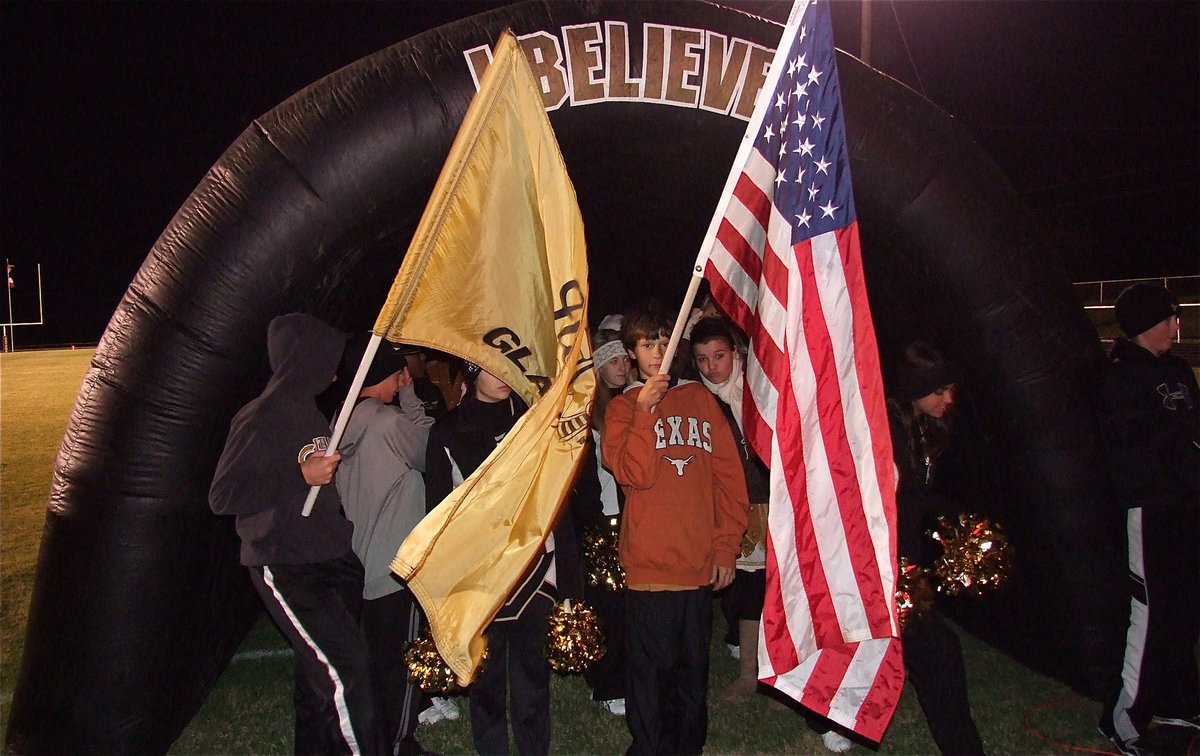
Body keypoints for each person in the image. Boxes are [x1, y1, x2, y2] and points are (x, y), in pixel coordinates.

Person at [209, 312, 383, 755]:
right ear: (303, 358)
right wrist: (299, 474)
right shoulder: (259, 417)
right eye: (327, 356)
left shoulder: (310, 411)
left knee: (317, 679)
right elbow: (224, 495)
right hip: (286, 564)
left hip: (331, 558)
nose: (336, 366)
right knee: (350, 671)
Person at [601, 303, 749, 755]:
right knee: (649, 678)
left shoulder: (701, 401)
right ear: (630, 353)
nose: (658, 351)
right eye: (648, 344)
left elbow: (729, 480)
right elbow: (634, 474)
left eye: (665, 341)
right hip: (649, 569)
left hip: (697, 566)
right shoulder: (621, 410)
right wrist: (645, 410)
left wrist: (725, 548)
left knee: (691, 678)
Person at [423, 363, 580, 755]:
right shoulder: (446, 431)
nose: (507, 377)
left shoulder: (537, 423)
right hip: (478, 577)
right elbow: (436, 512)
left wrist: (569, 580)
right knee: (486, 682)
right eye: (494, 370)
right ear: (473, 373)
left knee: (532, 679)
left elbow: (556, 499)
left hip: (534, 573)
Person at [1098, 282, 1199, 756]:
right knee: (1150, 610)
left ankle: (1180, 701)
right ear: (1144, 325)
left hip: (1186, 505)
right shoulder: (1120, 378)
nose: (1175, 327)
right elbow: (1130, 449)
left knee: (1184, 605)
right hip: (1149, 507)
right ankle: (1124, 719)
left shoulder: (1179, 373)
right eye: (1168, 318)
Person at [334, 334, 437, 756]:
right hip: (397, 564)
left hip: (362, 561)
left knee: (373, 660)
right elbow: (430, 446)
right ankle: (397, 744)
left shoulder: (344, 424)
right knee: (401, 660)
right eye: (397, 372)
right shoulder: (388, 422)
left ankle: (371, 737)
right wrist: (412, 400)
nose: (402, 377)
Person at [886, 341, 985, 756]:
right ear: (914, 390)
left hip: (907, 563)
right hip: (883, 568)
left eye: (951, 389)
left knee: (928, 655)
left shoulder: (924, 428)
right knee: (939, 654)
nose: (948, 399)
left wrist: (959, 520)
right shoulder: (886, 430)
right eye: (938, 390)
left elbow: (918, 498)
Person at [688, 317, 770, 702]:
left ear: (735, 354)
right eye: (702, 359)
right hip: (734, 504)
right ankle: (748, 673)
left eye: (718, 356)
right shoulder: (700, 399)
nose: (711, 367)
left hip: (779, 499)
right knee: (745, 590)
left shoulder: (760, 390)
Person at [570, 327, 630, 716]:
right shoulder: (590, 414)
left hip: (631, 519)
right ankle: (607, 682)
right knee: (607, 604)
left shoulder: (637, 401)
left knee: (629, 605)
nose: (621, 365)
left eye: (624, 357)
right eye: (611, 360)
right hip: (602, 522)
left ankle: (624, 673)